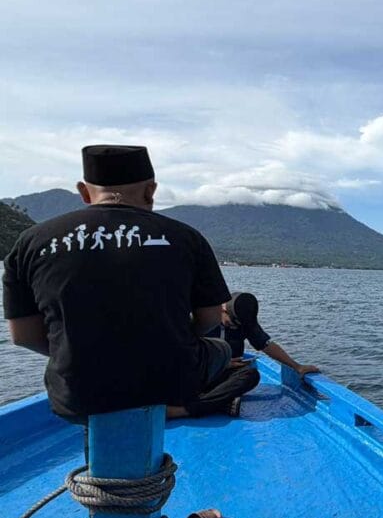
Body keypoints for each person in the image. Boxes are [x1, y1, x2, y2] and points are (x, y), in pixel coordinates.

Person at [2, 144, 257, 421]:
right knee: (220, 349)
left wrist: (79, 354)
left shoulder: (30, 242)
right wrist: (171, 342)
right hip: (169, 381)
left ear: (84, 192)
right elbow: (208, 318)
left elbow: (23, 336)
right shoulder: (187, 238)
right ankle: (183, 410)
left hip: (77, 392)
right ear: (151, 190)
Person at [217, 292, 320, 379]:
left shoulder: (246, 321)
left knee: (250, 376)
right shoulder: (205, 321)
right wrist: (219, 364)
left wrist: (297, 366)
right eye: (232, 324)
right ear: (223, 311)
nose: (234, 327)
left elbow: (266, 345)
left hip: (232, 369)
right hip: (207, 370)